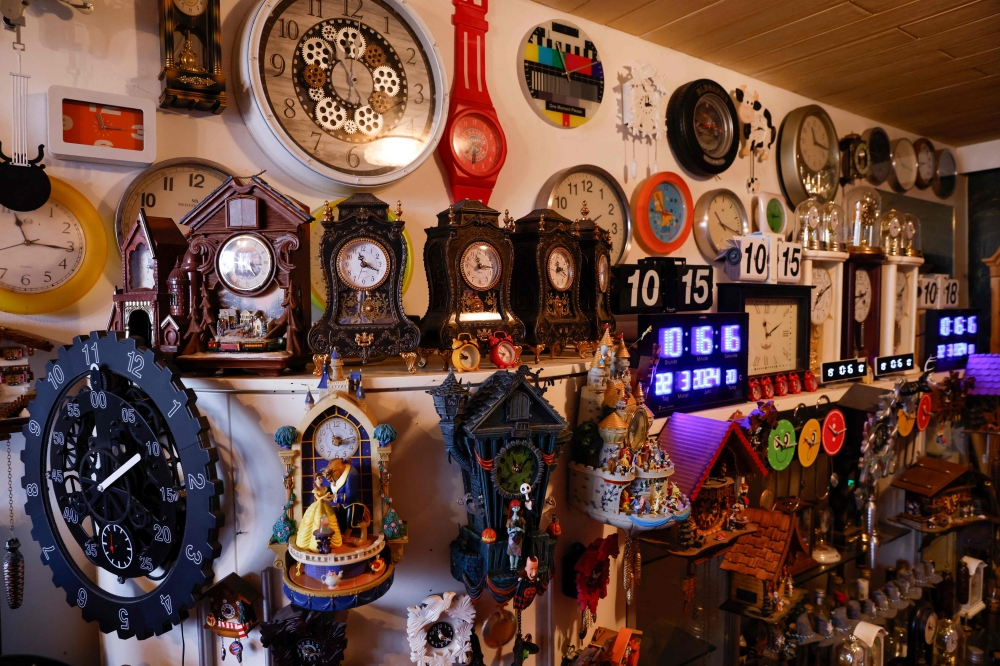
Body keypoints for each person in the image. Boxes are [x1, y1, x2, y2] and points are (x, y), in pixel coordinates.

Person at [296, 474, 343, 552]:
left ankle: (329, 542)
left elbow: (329, 496)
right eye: (319, 478)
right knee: (316, 520)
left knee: (330, 520)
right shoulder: (315, 489)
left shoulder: (325, 488)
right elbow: (318, 498)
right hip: (317, 505)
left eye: (321, 478)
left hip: (325, 506)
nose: (321, 479)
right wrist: (323, 497)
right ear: (315, 480)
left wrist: (328, 497)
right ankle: (317, 544)